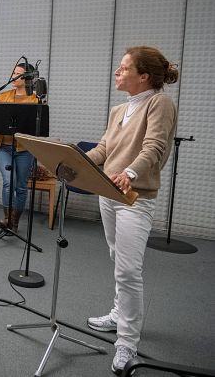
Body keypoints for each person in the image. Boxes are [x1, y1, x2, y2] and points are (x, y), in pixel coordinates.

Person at [84, 46, 179, 375]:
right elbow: (104, 149)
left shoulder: (159, 103)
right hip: (108, 193)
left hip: (135, 196)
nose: (117, 72)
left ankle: (127, 342)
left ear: (144, 76)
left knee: (128, 271)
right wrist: (73, 160)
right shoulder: (117, 110)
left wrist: (131, 174)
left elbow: (155, 146)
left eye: (124, 68)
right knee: (117, 257)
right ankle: (118, 314)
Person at [0, 63, 38, 232]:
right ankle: (7, 219)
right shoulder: (3, 96)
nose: (14, 76)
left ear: (27, 78)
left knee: (20, 186)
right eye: (13, 72)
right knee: (8, 182)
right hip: (4, 147)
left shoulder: (36, 100)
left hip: (25, 150)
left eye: (18, 74)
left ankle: (15, 222)